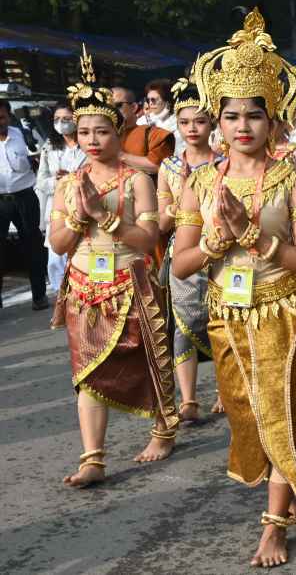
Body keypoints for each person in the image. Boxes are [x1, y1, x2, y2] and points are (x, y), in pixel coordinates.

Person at [173, 9, 296, 567]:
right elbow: (181, 265)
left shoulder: (293, 179)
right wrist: (215, 242)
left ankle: (274, 523)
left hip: (285, 312)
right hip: (226, 317)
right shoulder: (199, 184)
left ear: (273, 119)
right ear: (215, 121)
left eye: (255, 115)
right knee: (248, 414)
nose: (242, 126)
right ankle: (284, 479)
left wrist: (255, 238)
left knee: (279, 408)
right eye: (230, 116)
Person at [49, 46, 180, 487]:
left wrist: (105, 217)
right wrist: (78, 217)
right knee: (85, 373)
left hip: (131, 280)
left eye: (101, 131)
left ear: (117, 131)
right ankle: (93, 458)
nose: (91, 139)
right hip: (84, 285)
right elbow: (58, 243)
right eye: (83, 130)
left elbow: (147, 239)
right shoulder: (68, 185)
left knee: (150, 359)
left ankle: (163, 428)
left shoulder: (138, 180)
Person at [156, 77, 220, 422]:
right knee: (182, 325)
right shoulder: (167, 168)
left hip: (221, 252)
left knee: (221, 320)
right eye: (184, 122)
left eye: (199, 121)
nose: (192, 128)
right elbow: (162, 222)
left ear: (212, 122)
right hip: (182, 252)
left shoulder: (225, 163)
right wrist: (181, 202)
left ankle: (226, 388)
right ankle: (189, 399)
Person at [0, 98, 49, 310]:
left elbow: (42, 158)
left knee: (33, 247)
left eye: (1, 117)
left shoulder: (24, 135)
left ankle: (39, 296)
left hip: (25, 198)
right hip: (0, 202)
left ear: (8, 116)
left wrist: (35, 158)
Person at [36, 103, 86, 293]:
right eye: (57, 119)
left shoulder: (88, 143)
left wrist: (76, 177)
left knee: (82, 257)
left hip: (83, 207)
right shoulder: (50, 146)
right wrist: (58, 181)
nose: (61, 123)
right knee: (56, 260)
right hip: (58, 209)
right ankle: (61, 298)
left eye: (66, 119)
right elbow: (41, 181)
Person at [113, 86, 175, 176]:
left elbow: (159, 166)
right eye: (107, 106)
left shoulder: (153, 134)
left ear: (134, 107)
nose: (112, 110)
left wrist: (119, 155)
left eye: (118, 105)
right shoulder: (98, 136)